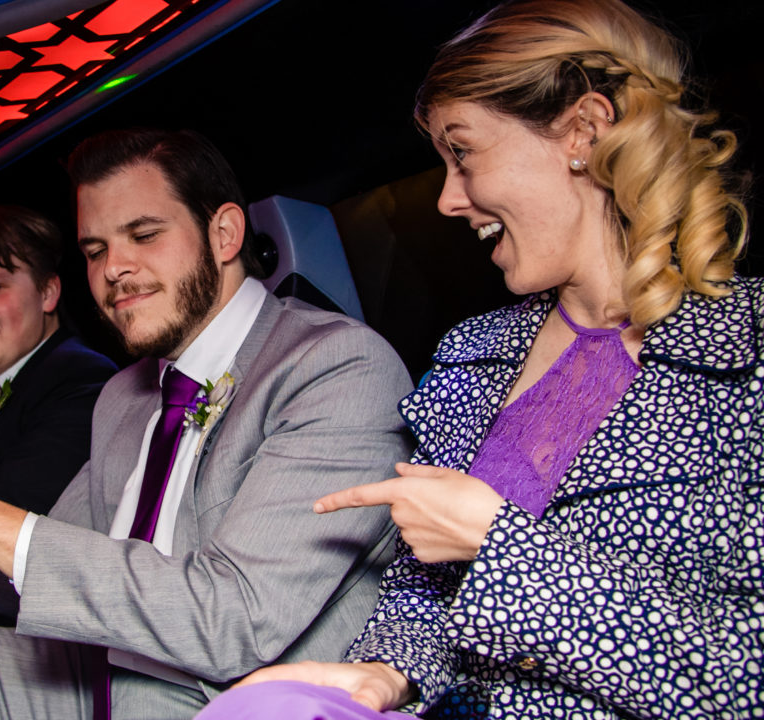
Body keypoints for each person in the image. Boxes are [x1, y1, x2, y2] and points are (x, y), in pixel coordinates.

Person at [193, 1, 762, 718]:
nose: (448, 200)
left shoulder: (751, 353)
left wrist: (504, 549)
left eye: (462, 153)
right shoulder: (472, 353)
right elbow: (422, 593)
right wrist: (386, 673)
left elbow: (748, 674)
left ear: (584, 131)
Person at [0, 128, 412, 719]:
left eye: (143, 235)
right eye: (96, 250)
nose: (113, 271)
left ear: (224, 234)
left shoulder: (334, 367)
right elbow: (49, 566)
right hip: (96, 676)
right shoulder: (126, 397)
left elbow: (233, 620)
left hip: (220, 696)